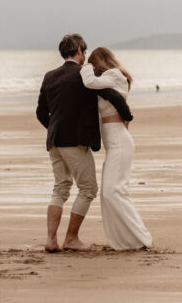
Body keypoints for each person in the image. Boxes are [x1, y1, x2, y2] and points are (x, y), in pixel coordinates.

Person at [36, 34, 133, 252]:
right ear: (79, 50)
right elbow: (112, 96)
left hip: (53, 141)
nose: (85, 56)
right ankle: (71, 238)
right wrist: (128, 115)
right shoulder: (83, 75)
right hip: (74, 142)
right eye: (84, 51)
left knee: (60, 188)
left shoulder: (49, 76)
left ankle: (51, 240)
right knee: (88, 189)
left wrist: (55, 130)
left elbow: (41, 112)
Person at [80, 47, 154, 250]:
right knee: (108, 193)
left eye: (93, 65)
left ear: (99, 63)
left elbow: (89, 81)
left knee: (114, 192)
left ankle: (142, 237)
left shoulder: (114, 75)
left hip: (120, 143)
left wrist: (84, 66)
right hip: (113, 144)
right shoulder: (108, 82)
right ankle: (125, 240)